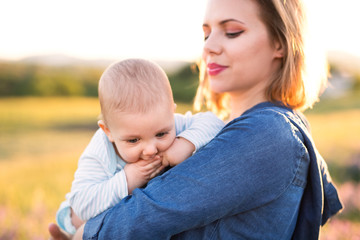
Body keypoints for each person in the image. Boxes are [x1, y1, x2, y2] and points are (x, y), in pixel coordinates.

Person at [49, 0, 343, 239]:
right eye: (206, 33)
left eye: (232, 32)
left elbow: (146, 214)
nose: (209, 47)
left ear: (281, 43)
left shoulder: (268, 132)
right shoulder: (231, 129)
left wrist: (86, 230)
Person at [53, 58, 225, 235]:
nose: (151, 150)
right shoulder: (101, 150)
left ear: (171, 112)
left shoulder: (173, 123)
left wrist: (185, 143)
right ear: (108, 131)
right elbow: (81, 207)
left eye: (161, 134)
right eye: (134, 140)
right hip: (79, 227)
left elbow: (215, 122)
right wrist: (128, 179)